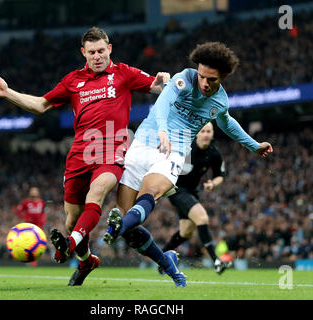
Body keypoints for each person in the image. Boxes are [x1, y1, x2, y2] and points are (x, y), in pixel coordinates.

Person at [0, 27, 170, 286]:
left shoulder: (123, 73)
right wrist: (8, 93)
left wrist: (167, 81)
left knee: (96, 192)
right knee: (72, 218)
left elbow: (156, 86)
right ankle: (86, 260)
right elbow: (41, 105)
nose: (97, 56)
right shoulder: (73, 81)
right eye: (92, 52)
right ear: (83, 53)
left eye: (101, 51)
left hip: (113, 150)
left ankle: (67, 246)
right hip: (79, 154)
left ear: (110, 49)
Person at [103, 42, 273, 287]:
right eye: (202, 76)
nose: (204, 83)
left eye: (211, 80)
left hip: (173, 153)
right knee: (128, 222)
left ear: (223, 78)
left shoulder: (220, 102)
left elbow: (226, 123)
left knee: (148, 195)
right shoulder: (184, 79)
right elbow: (162, 102)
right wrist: (162, 129)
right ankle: (165, 260)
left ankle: (113, 232)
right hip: (142, 143)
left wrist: (253, 145)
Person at [161, 122, 231, 274]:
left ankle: (161, 258)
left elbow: (220, 175)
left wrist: (213, 184)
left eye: (209, 131)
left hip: (192, 192)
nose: (206, 134)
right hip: (176, 190)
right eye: (203, 131)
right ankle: (216, 261)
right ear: (198, 133)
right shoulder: (186, 148)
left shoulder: (214, 153)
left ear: (212, 134)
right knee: (202, 218)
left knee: (186, 232)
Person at [16, 187, 46, 267]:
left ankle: (34, 261)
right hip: (29, 228)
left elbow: (43, 212)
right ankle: (28, 260)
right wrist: (24, 217)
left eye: (35, 192)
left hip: (39, 228)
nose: (34, 193)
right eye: (32, 192)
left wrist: (43, 220)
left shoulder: (41, 202)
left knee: (37, 245)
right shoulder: (26, 202)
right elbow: (19, 211)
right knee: (29, 244)